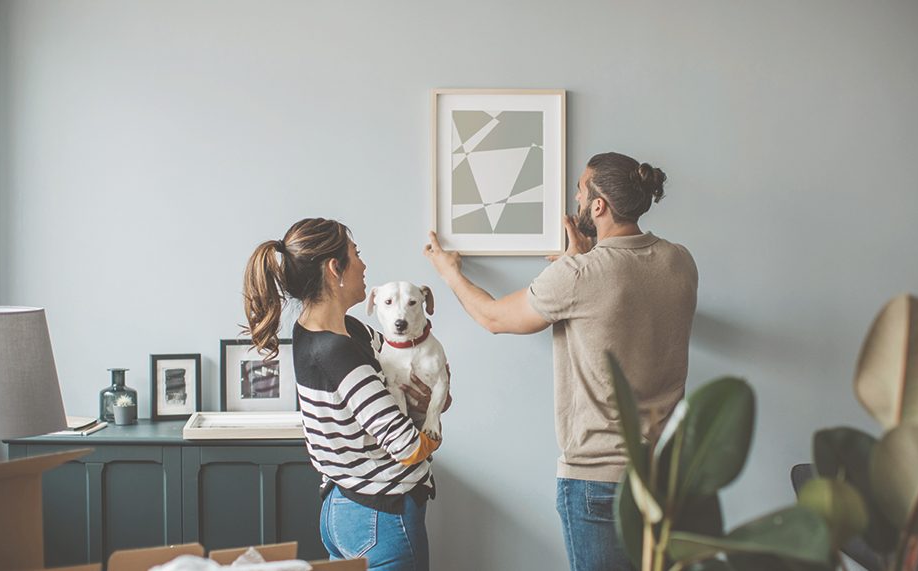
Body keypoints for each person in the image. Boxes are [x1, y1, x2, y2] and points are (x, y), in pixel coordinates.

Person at [423, 152, 698, 571]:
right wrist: (582, 259)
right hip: (664, 479)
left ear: (599, 205)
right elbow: (624, 295)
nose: (575, 197)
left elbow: (494, 318)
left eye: (580, 191)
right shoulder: (680, 261)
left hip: (598, 483)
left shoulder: (579, 275)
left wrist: (449, 272)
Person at [243, 217, 448, 571]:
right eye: (357, 254)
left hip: (342, 508)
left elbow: (412, 371)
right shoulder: (336, 353)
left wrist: (428, 396)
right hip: (381, 516)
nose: (365, 265)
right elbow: (409, 446)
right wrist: (431, 418)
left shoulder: (334, 330)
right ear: (334, 268)